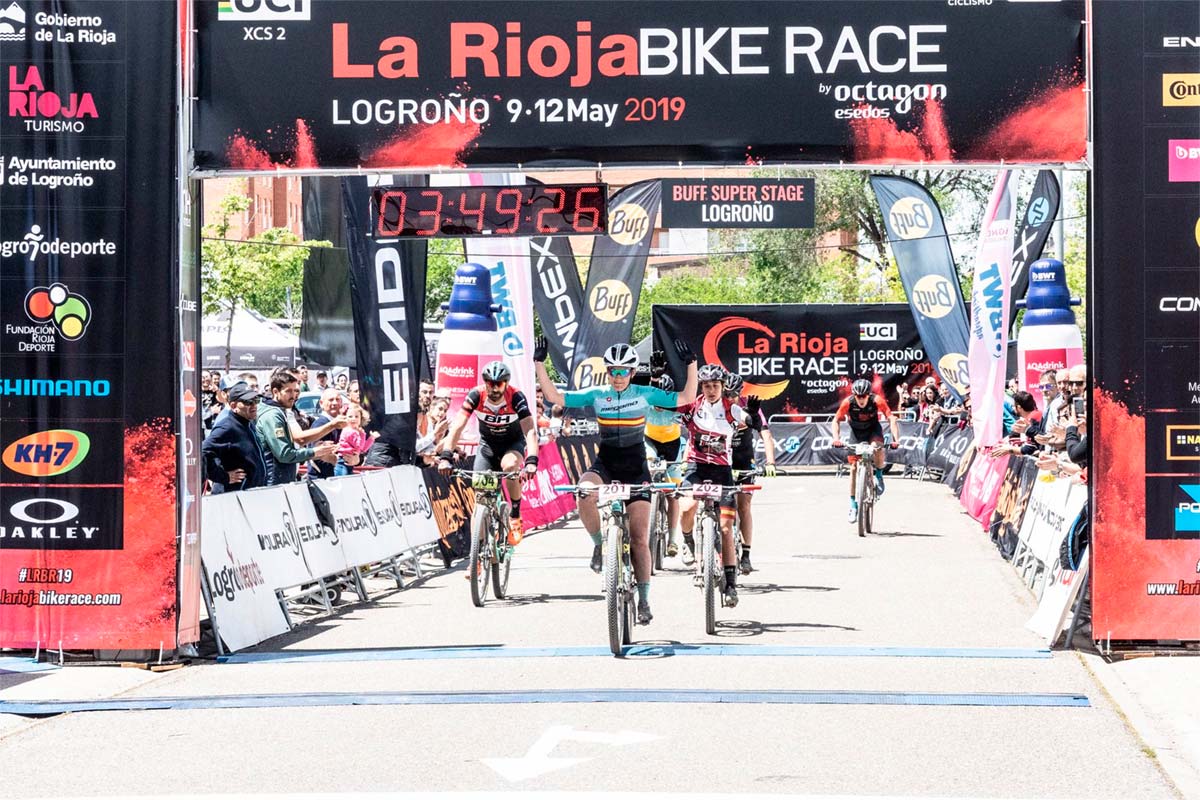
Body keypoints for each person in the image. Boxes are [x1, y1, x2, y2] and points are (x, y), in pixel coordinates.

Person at [535, 338, 698, 625]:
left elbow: (686, 398)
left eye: (623, 371)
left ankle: (645, 599)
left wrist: (692, 364)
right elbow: (555, 398)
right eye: (613, 371)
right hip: (606, 464)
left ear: (633, 373)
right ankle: (599, 544)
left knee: (638, 540)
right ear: (607, 373)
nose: (618, 376)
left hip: (636, 468)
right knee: (584, 492)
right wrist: (539, 364)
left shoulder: (645, 394)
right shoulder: (598, 394)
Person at [438, 361, 539, 545]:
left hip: (512, 444)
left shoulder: (516, 397)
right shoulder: (476, 395)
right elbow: (458, 426)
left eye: (498, 384)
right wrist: (445, 456)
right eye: (490, 383)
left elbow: (530, 431)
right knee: (480, 501)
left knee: (509, 467)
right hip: (487, 446)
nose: (494, 389)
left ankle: (515, 515)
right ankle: (476, 556)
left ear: (506, 383)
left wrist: (532, 460)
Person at [676, 363, 747, 607]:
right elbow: (668, 410)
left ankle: (730, 584)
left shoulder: (731, 408)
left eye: (715, 386)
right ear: (702, 387)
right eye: (707, 386)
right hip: (696, 468)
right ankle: (687, 540)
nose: (711, 390)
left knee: (726, 530)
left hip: (722, 472)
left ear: (722, 386)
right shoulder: (693, 406)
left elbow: (745, 418)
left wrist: (752, 419)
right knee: (686, 508)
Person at [724, 371, 776, 575]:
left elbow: (765, 433)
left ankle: (745, 554)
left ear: (740, 392)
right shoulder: (718, 406)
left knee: (744, 505)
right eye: (726, 394)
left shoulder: (749, 405)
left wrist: (770, 463)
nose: (730, 398)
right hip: (722, 459)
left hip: (743, 459)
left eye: (733, 394)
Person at [832, 378, 901, 523]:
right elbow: (836, 420)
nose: (861, 399)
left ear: (868, 395)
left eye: (864, 396)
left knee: (877, 447)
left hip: (872, 430)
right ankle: (853, 505)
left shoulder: (877, 400)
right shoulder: (848, 403)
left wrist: (896, 439)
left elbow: (891, 418)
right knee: (853, 468)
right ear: (854, 395)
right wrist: (836, 438)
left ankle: (879, 475)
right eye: (858, 396)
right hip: (856, 433)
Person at [255, 371, 338, 485]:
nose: (293, 396)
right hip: (274, 482)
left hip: (283, 479)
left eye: (295, 391)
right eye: (288, 391)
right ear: (275, 392)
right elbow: (284, 454)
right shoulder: (272, 415)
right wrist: (314, 452)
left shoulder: (283, 411)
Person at [643, 352, 685, 558]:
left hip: (673, 447)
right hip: (650, 442)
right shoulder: (647, 401)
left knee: (673, 494)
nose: (659, 405)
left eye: (664, 401)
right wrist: (654, 379)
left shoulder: (677, 407)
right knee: (648, 469)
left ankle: (672, 539)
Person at [203, 383, 269, 493]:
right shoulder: (227, 426)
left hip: (253, 494)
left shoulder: (248, 423)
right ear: (233, 406)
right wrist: (222, 476)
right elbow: (202, 451)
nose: (254, 405)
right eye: (248, 402)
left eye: (256, 400)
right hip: (233, 496)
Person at [308, 388, 347, 480]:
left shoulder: (341, 424)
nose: (334, 403)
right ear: (321, 403)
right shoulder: (320, 424)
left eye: (337, 399)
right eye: (330, 400)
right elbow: (316, 454)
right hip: (321, 480)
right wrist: (338, 459)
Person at [336, 404, 378, 476]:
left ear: (361, 419)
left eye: (356, 416)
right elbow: (360, 447)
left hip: (350, 461)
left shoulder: (356, 432)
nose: (353, 419)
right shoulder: (348, 431)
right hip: (342, 461)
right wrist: (362, 435)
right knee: (342, 480)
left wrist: (371, 438)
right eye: (350, 416)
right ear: (345, 418)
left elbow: (363, 449)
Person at [416, 396, 451, 465]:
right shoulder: (425, 422)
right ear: (431, 408)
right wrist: (435, 434)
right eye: (440, 409)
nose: (442, 413)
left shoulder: (439, 425)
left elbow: (428, 448)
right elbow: (417, 447)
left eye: (445, 411)